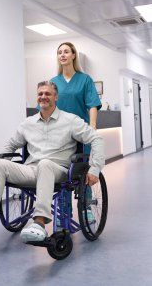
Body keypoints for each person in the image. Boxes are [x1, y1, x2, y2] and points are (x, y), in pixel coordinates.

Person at [0, 81, 104, 243]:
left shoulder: (70, 120)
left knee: (45, 164)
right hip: (31, 170)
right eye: (40, 94)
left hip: (59, 171)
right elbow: (10, 144)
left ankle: (39, 224)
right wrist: (6, 160)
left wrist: (95, 168)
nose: (43, 97)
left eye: (47, 94)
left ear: (56, 97)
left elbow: (96, 138)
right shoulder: (28, 123)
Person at [50, 42, 102, 224]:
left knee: (84, 172)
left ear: (73, 55)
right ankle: (63, 213)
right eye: (59, 52)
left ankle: (86, 208)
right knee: (63, 174)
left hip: (81, 134)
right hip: (60, 135)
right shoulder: (53, 82)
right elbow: (47, 106)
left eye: (66, 52)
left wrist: (93, 125)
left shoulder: (85, 79)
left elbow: (92, 103)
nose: (62, 55)